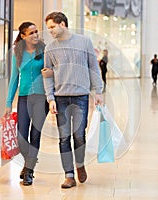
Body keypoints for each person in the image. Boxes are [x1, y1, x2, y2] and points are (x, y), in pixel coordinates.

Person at [42, 12, 103, 189]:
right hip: (60, 99)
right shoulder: (50, 48)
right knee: (63, 138)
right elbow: (47, 75)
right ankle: (69, 175)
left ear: (63, 24)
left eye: (52, 27)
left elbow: (93, 67)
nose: (50, 31)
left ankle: (80, 164)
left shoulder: (84, 42)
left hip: (81, 97)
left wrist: (98, 91)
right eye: (48, 28)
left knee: (79, 136)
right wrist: (50, 98)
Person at [4, 22, 49, 186]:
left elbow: (53, 71)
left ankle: (29, 170)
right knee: (21, 135)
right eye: (31, 33)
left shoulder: (44, 50)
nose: (35, 35)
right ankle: (27, 162)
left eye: (36, 32)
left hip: (41, 98)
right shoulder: (18, 53)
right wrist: (9, 102)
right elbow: (14, 78)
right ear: (23, 36)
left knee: (35, 134)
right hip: (24, 98)